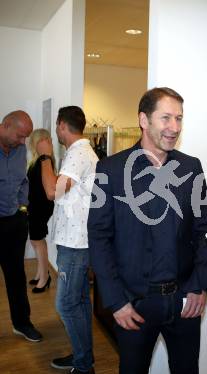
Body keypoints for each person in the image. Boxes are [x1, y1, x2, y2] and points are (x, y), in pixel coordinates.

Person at [88, 87, 207, 374]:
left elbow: (204, 229)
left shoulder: (191, 168)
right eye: (166, 118)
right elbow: (99, 237)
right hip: (134, 306)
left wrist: (200, 284)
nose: (174, 127)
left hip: (185, 302)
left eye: (179, 119)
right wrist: (116, 301)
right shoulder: (111, 170)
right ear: (144, 120)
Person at [38, 106, 97, 374]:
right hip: (75, 242)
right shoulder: (79, 152)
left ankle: (84, 365)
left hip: (76, 245)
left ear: (62, 125)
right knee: (80, 302)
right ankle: (83, 358)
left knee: (66, 304)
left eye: (57, 127)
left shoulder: (80, 153)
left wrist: (44, 157)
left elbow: (52, 191)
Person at [0, 110, 43, 342]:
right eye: (20, 135)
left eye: (26, 137)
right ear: (5, 126)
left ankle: (22, 323)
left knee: (16, 277)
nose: (23, 141)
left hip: (14, 223)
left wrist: (23, 208)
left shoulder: (19, 152)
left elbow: (23, 181)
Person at [27, 129, 55, 293]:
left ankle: (44, 278)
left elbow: (46, 189)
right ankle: (41, 273)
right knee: (36, 241)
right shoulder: (38, 161)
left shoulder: (45, 161)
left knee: (38, 241)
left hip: (40, 206)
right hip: (34, 206)